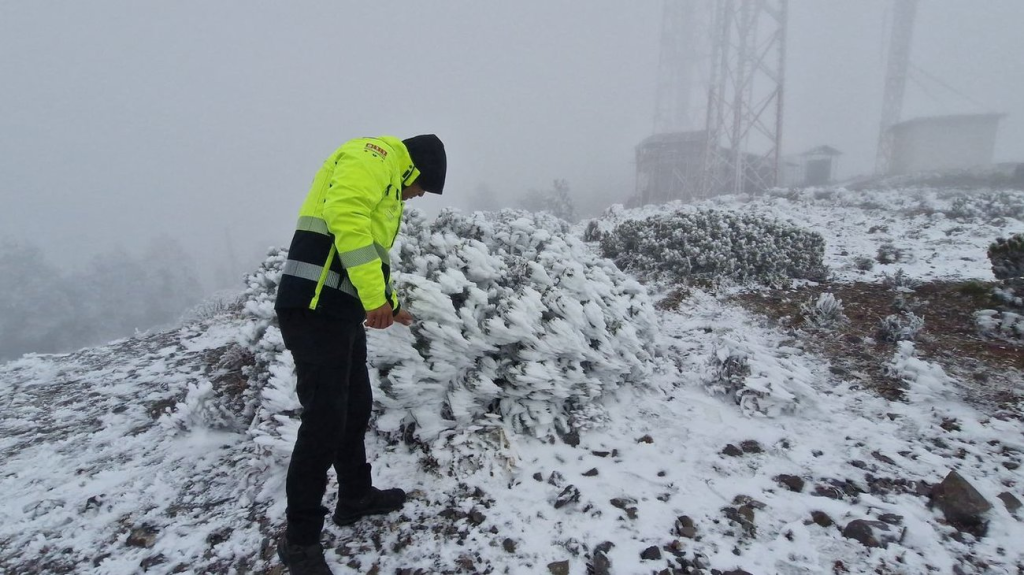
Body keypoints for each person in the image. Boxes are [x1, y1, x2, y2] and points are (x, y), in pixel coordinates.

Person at [274, 134, 446, 574]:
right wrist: (374, 300)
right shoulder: (373, 157)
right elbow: (345, 217)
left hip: (338, 310)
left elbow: (364, 249)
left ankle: (354, 497)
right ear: (417, 170)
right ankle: (299, 541)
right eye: (422, 187)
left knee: (354, 410)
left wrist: (387, 300)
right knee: (324, 422)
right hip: (313, 307)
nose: (419, 195)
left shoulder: (389, 181)